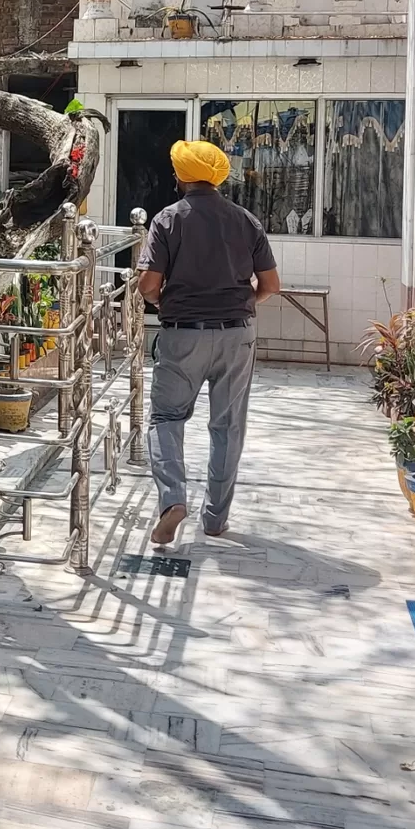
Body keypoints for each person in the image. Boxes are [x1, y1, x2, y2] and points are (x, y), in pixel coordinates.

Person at [135, 140, 281, 544]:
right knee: (229, 427)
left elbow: (148, 285)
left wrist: (162, 301)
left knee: (166, 419)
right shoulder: (246, 220)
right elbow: (270, 285)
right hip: (238, 334)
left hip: (183, 333)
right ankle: (216, 519)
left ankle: (172, 500)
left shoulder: (167, 220)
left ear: (180, 175)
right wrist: (241, 304)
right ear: (217, 175)